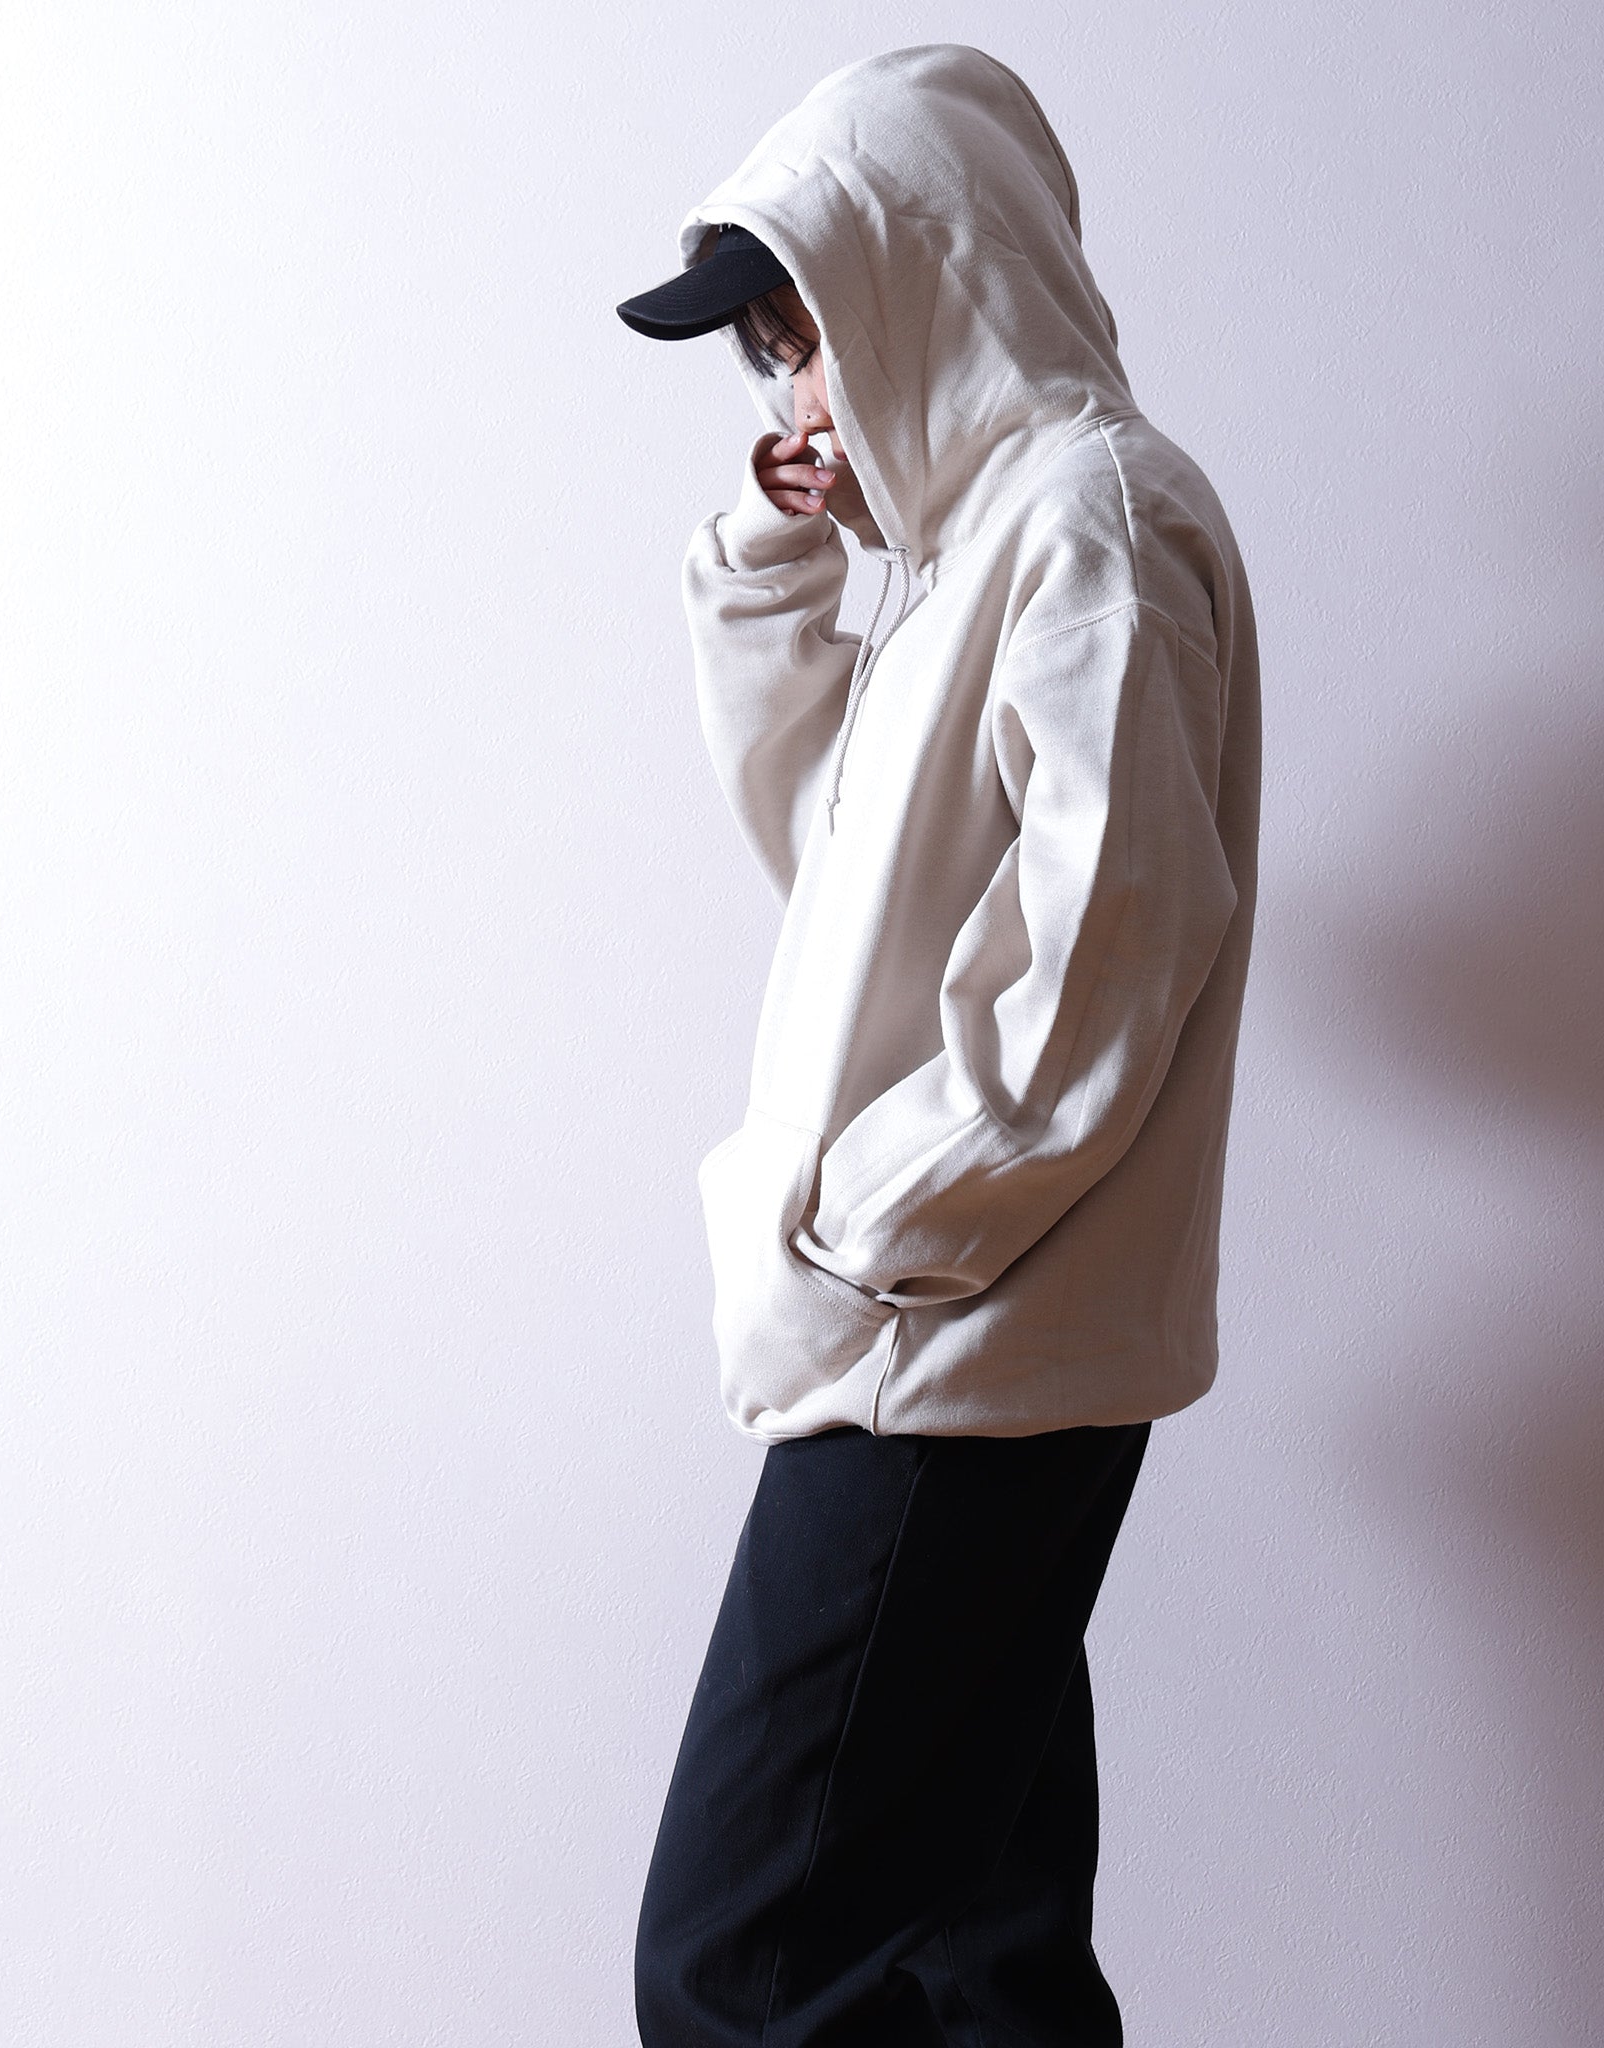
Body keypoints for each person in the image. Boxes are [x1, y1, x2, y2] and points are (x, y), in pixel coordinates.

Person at [614, 44, 1261, 2048]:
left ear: (927, 272)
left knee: (739, 1972)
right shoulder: (978, 553)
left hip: (945, 1352)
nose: (796, 400)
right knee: (978, 1969)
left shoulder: (1090, 522)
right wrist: (779, 565)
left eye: (806, 338)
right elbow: (837, 869)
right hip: (959, 1340)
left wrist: (866, 1231)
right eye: (770, 362)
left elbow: (1106, 958)